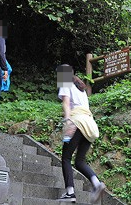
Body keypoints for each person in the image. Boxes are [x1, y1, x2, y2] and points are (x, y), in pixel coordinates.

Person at [56, 64, 106, 203]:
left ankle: (70, 192)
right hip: (89, 125)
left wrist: (67, 121)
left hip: (76, 122)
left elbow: (66, 103)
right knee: (79, 161)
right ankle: (96, 183)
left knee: (66, 157)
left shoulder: (65, 83)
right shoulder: (80, 87)